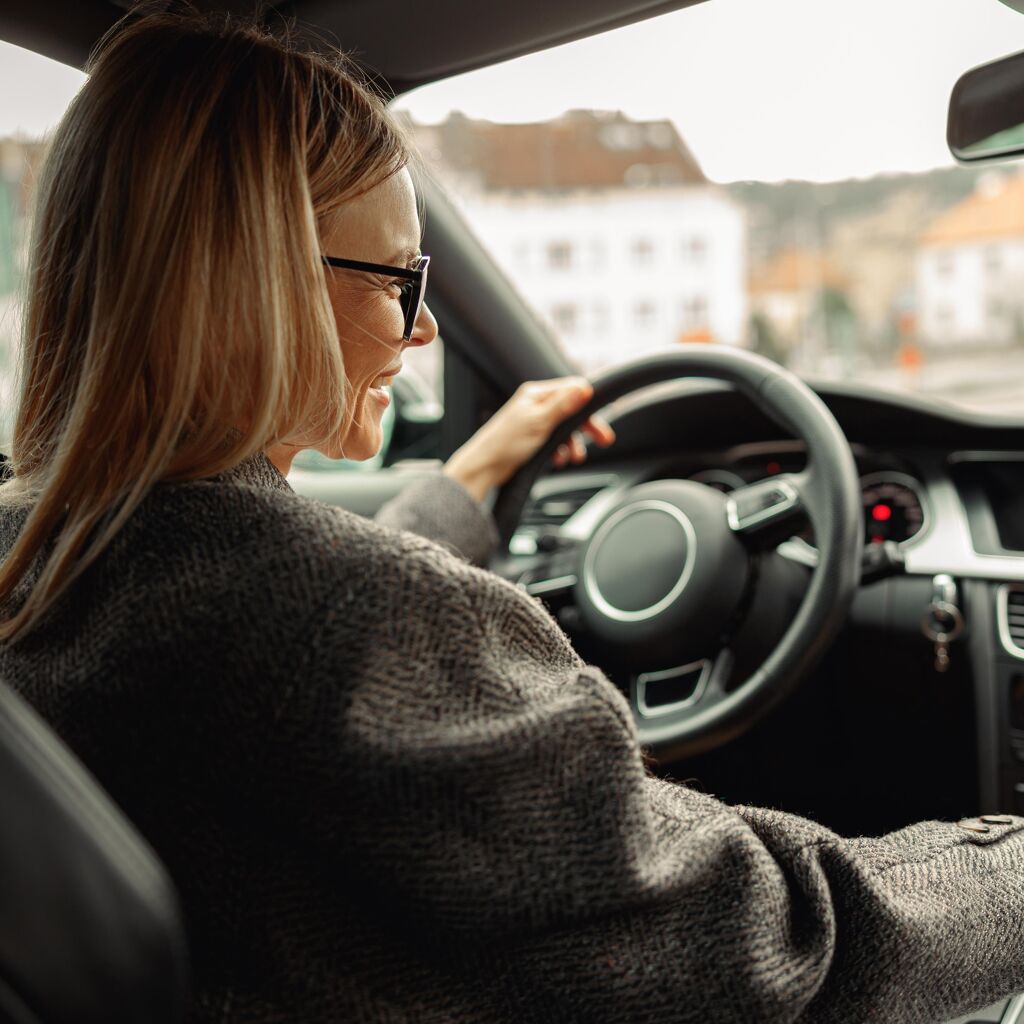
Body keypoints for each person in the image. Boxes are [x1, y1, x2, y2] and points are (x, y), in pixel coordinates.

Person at [0, 10, 1023, 1024]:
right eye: (400, 279)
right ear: (254, 285)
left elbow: (273, 627)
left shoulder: (46, 562)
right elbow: (760, 952)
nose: (428, 325)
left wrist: (466, 486)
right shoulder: (360, 621)